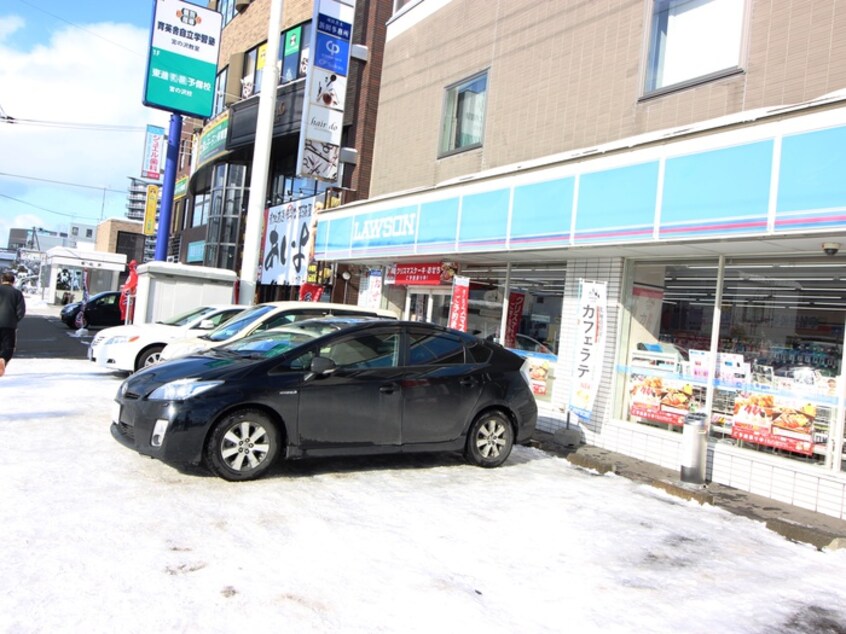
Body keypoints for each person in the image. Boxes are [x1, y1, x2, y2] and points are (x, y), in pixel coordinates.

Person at [0, 271, 27, 377]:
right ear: (13, 281)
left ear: (2, 280)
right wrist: (15, 319)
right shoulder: (17, 293)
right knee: (8, 347)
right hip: (9, 325)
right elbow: (21, 311)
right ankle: (3, 359)